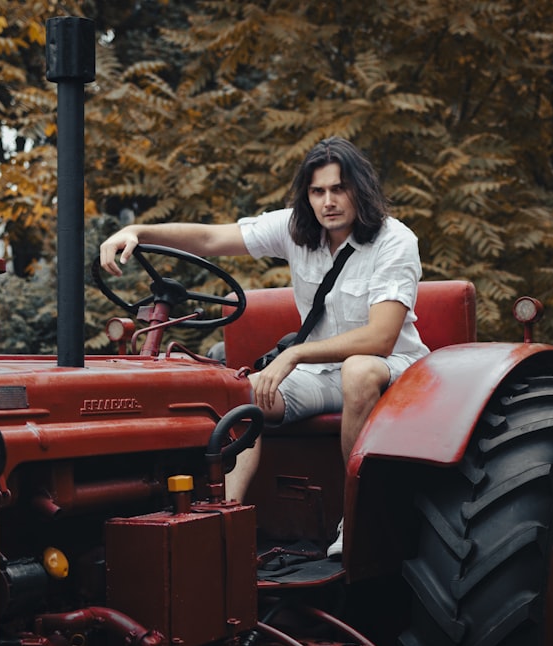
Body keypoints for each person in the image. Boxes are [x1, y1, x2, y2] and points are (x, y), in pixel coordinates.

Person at [99, 137, 429, 558]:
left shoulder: (394, 241)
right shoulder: (297, 229)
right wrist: (137, 230)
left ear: (359, 189)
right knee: (244, 394)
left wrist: (293, 354)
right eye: (317, 191)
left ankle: (358, 514)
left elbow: (380, 337)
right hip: (323, 373)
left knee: (359, 371)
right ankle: (223, 521)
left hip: (393, 369)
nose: (328, 201)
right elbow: (212, 240)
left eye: (338, 189)